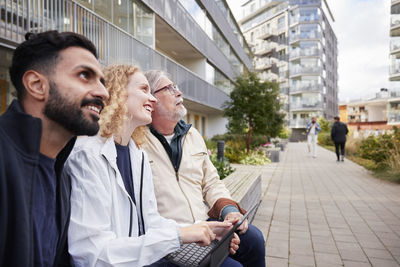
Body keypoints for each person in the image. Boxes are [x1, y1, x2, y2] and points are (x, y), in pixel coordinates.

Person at [64, 64, 240, 267]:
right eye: (143, 90)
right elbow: (91, 256)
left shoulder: (136, 154)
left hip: (147, 255)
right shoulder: (88, 155)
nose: (153, 99)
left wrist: (203, 229)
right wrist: (179, 235)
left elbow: (150, 220)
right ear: (118, 93)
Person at [0, 31, 109, 266]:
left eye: (101, 81)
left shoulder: (62, 171)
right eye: (84, 75)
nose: (103, 92)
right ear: (37, 85)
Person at [142, 70, 266, 267]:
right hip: (172, 237)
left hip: (206, 226)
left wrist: (229, 211)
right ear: (151, 99)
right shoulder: (137, 141)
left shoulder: (192, 135)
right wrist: (193, 231)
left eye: (176, 86)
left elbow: (211, 183)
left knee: (255, 239)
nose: (179, 92)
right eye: (170, 88)